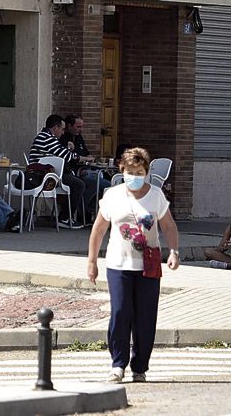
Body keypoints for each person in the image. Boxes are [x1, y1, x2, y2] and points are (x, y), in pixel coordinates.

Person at [87, 147, 180, 384]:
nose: (134, 176)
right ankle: (118, 364)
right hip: (118, 265)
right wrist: (92, 262)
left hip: (148, 266)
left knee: (145, 317)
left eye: (139, 172)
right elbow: (99, 230)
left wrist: (174, 252)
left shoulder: (156, 196)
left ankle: (140, 366)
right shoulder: (112, 195)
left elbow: (168, 226)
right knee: (120, 313)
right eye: (130, 171)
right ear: (122, 169)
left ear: (146, 172)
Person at [30, 114, 93, 227]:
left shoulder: (45, 137)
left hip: (44, 174)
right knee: (79, 184)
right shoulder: (47, 138)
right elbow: (67, 156)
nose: (63, 132)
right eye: (62, 129)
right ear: (55, 128)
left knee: (76, 182)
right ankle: (64, 217)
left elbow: (59, 151)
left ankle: (68, 215)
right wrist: (85, 158)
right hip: (44, 176)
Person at [62, 114, 111, 203]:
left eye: (81, 127)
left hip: (86, 169)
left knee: (103, 179)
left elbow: (86, 153)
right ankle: (83, 209)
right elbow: (70, 158)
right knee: (105, 186)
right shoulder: (62, 138)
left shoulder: (78, 137)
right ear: (69, 126)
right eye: (78, 127)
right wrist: (84, 158)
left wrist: (89, 157)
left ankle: (88, 210)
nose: (81, 130)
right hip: (75, 172)